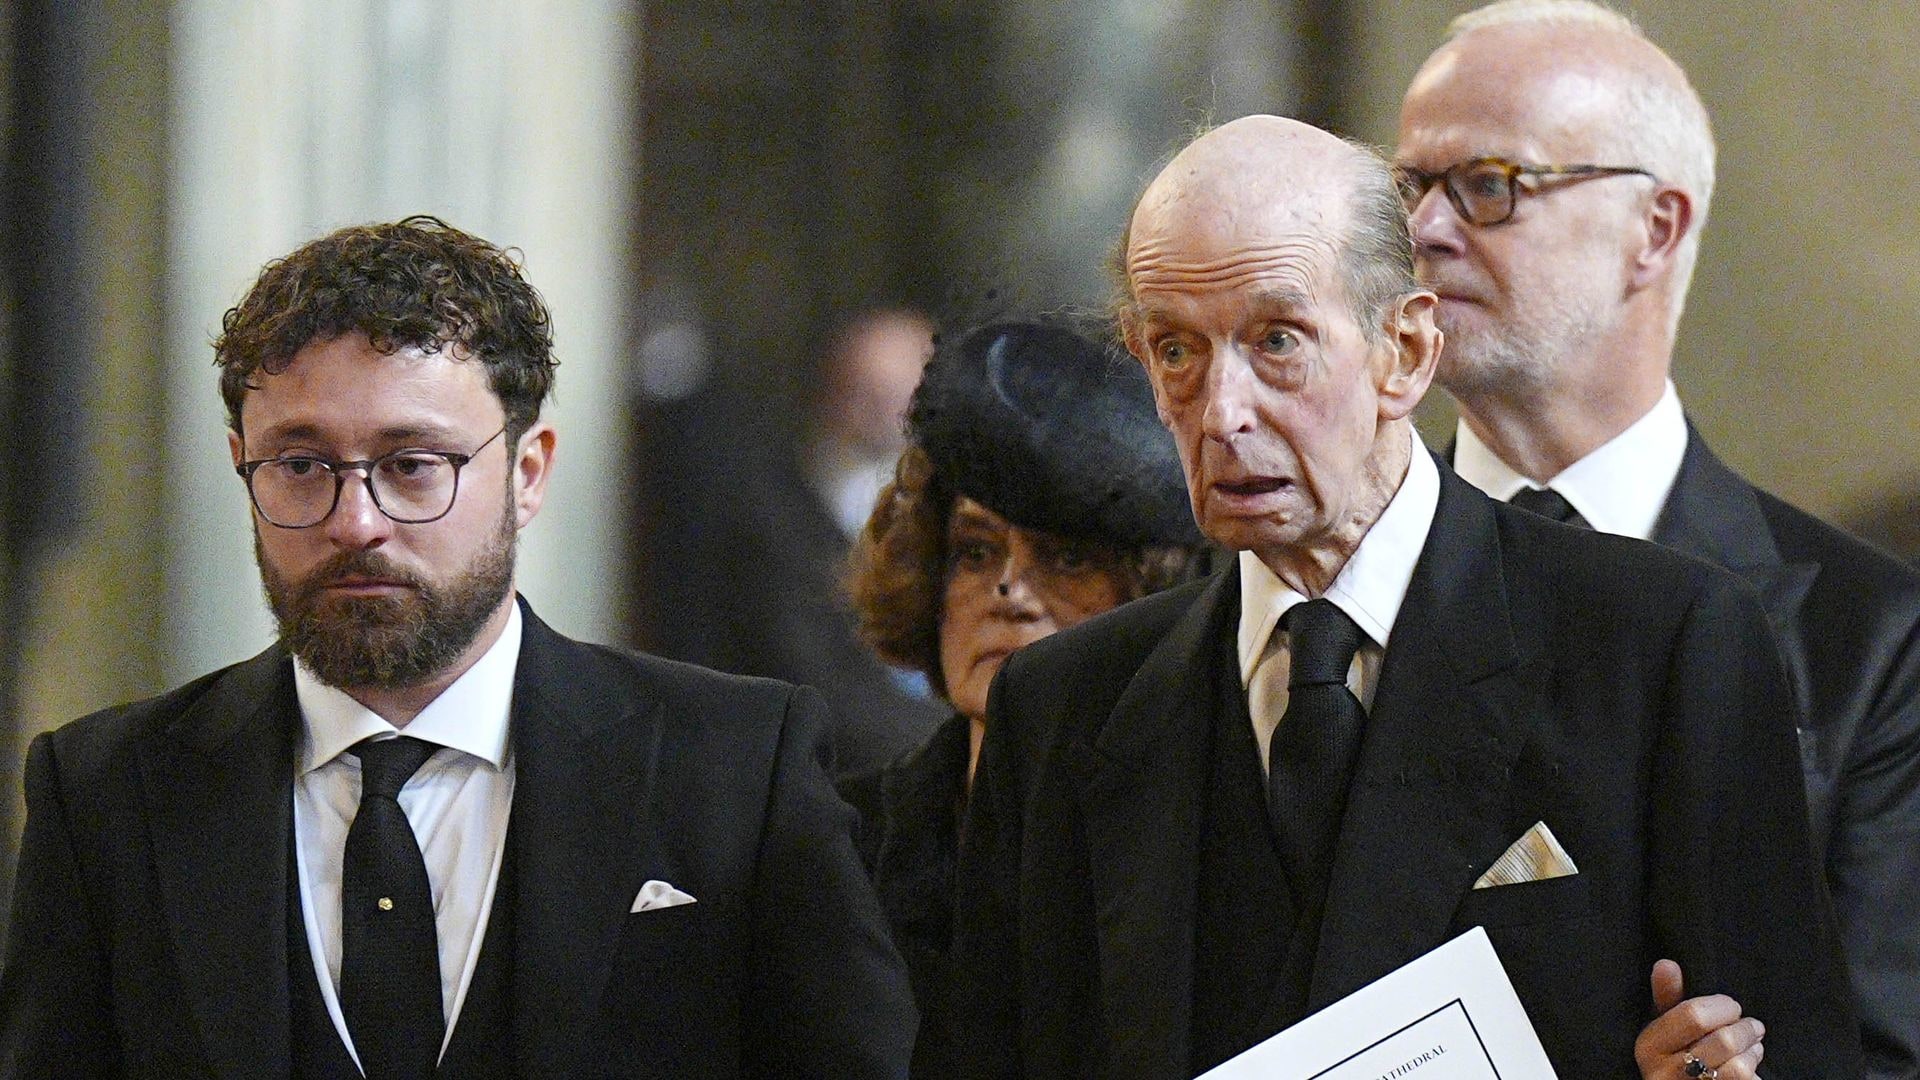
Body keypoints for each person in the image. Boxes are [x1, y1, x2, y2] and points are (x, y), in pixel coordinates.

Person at [948, 115, 1858, 1079]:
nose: (1222, 413)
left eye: (1279, 341)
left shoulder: (1660, 645)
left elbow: (1788, 1046)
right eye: (1177, 353)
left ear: (1408, 350)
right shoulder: (1062, 707)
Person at [0, 216, 913, 1078]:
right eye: (301, 464)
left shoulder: (736, 768)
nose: (356, 521)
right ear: (245, 463)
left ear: (527, 473)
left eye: (412, 465)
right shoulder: (108, 798)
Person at [1395, 3, 1920, 1075]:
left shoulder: (1866, 636)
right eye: (1407, 186)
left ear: (1657, 231)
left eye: (1489, 185)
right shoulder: (1313, 590)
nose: (1425, 232)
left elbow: (1886, 1048)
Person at [841, 318, 1208, 1073]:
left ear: (1152, 588)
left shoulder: (1206, 841)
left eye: (1068, 557)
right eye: (975, 553)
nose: (1008, 590)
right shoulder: (836, 845)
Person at [640, 307, 948, 777]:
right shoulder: (777, 514)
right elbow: (814, 678)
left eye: (903, 391)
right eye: (868, 390)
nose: (888, 410)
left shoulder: (959, 514)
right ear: (833, 392)